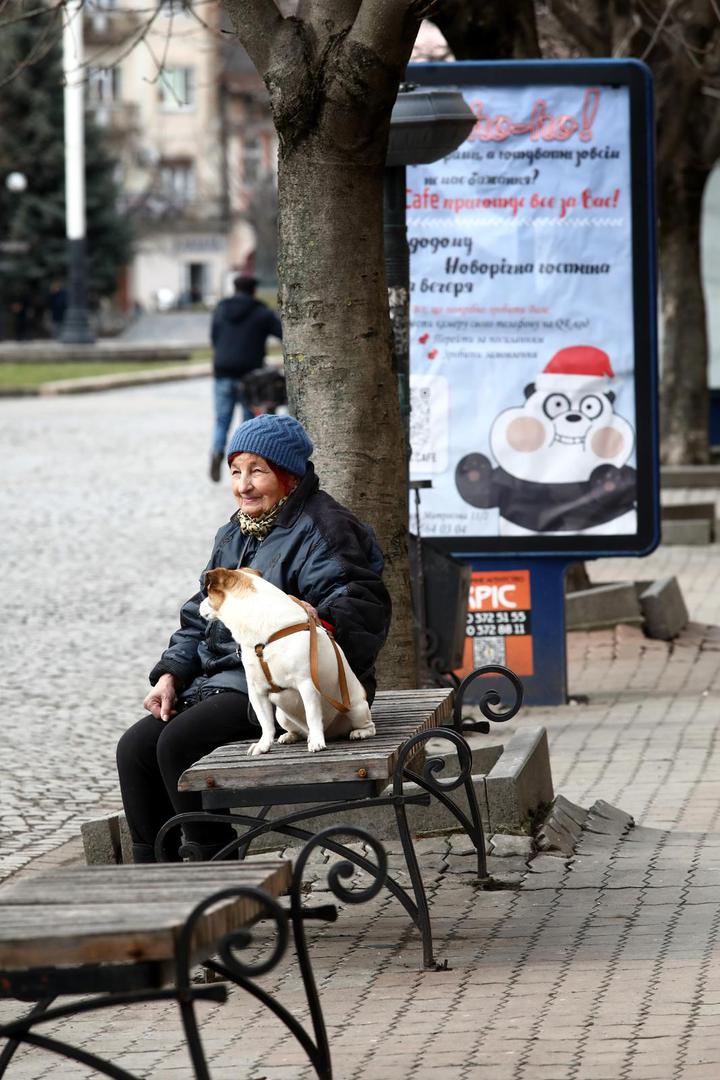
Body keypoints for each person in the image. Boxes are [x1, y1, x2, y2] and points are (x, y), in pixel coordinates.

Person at [116, 413, 392, 863]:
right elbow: (196, 618)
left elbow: (362, 608)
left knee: (178, 744)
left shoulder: (325, 526)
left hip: (294, 686)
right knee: (135, 749)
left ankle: (215, 873)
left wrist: (318, 621)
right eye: (236, 471)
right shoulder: (235, 533)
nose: (243, 485)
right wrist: (170, 674)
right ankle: (157, 876)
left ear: (288, 476)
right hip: (227, 680)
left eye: (257, 471)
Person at [209, 273, 282, 482]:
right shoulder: (261, 312)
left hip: (222, 372)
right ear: (254, 290)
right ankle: (242, 465)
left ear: (235, 288)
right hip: (251, 377)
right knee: (247, 424)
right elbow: (283, 333)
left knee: (222, 420)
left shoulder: (221, 309)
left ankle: (216, 451)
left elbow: (214, 337)